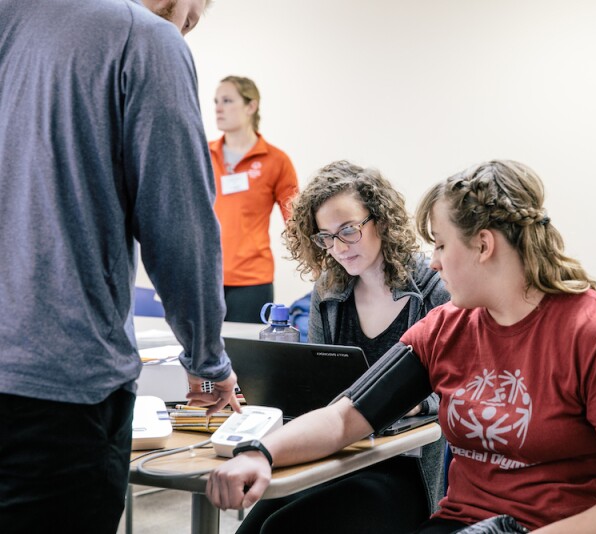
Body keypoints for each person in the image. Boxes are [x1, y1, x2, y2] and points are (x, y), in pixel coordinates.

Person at [206, 160, 596, 533]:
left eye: (440, 245)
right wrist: (259, 453)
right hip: (461, 524)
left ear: (484, 246)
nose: (431, 262)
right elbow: (344, 416)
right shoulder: (449, 327)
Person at [0, 1, 239, 532]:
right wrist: (208, 359)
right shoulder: (145, 39)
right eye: (196, 14)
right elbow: (180, 227)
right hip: (59, 395)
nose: (190, 25)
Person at [236, 160, 450, 533]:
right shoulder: (329, 292)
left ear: (380, 220)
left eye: (349, 230)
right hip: (338, 454)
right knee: (252, 528)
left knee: (284, 528)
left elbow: (457, 391)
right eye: (326, 236)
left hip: (404, 466)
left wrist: (416, 400)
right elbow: (319, 388)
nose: (338, 247)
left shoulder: (432, 287)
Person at [209, 76, 299, 323]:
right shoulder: (201, 154)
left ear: (251, 106)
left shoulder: (276, 160)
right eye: (216, 101)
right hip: (204, 278)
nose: (218, 107)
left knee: (245, 358)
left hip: (251, 281)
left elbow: (296, 222)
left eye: (227, 100)